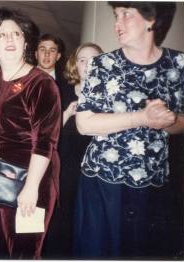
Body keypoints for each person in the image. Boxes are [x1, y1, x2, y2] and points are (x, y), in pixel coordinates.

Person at [74, 2, 184, 258]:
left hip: (153, 182)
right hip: (103, 181)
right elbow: (85, 123)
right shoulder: (102, 65)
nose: (117, 22)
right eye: (116, 15)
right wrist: (142, 117)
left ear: (152, 19)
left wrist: (168, 120)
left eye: (126, 14)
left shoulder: (179, 65)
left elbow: (183, 121)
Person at [0, 7, 61, 259]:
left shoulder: (42, 84)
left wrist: (32, 187)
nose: (10, 39)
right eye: (2, 35)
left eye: (16, 33)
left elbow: (46, 141)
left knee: (23, 252)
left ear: (25, 42)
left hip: (27, 179)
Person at [43, 42, 103, 258]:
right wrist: (67, 113)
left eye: (94, 60)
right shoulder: (60, 91)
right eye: (82, 60)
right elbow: (45, 132)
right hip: (64, 168)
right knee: (59, 222)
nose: (87, 65)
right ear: (75, 65)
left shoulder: (108, 95)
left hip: (94, 171)